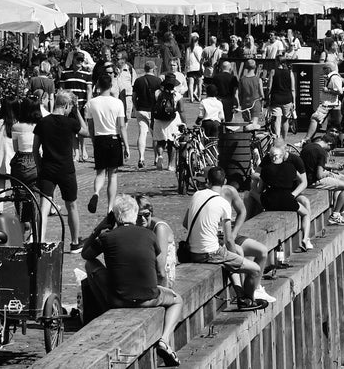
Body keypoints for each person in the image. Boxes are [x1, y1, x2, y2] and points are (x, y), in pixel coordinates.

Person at [81, 196, 182, 367]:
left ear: (115, 217)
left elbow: (85, 254)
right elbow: (160, 268)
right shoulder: (149, 234)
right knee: (177, 300)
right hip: (149, 298)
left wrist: (99, 228)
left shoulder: (107, 237)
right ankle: (164, 340)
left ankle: (105, 308)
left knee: (90, 264)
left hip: (118, 299)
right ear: (135, 215)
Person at [181, 167, 270, 308]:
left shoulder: (196, 195)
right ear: (225, 181)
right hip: (211, 253)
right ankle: (248, 300)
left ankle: (240, 294)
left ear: (207, 181)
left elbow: (185, 223)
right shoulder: (223, 203)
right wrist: (237, 257)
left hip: (192, 251)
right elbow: (229, 240)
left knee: (231, 257)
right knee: (255, 269)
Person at [34, 91, 82, 250]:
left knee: (44, 207)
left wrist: (40, 166)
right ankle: (75, 242)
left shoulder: (42, 122)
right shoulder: (70, 123)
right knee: (72, 205)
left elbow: (35, 149)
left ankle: (39, 241)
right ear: (67, 105)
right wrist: (78, 112)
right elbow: (86, 132)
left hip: (47, 168)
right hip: (66, 169)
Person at [258, 142, 313, 252]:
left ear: (270, 156)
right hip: (286, 199)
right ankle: (305, 239)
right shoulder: (291, 168)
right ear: (283, 155)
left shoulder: (265, 169)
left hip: (269, 201)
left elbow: (259, 189)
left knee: (252, 195)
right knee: (306, 213)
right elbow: (301, 180)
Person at [84, 81, 127, 216]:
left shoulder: (92, 103)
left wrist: (93, 139)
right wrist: (126, 145)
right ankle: (109, 208)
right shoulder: (118, 103)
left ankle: (96, 193)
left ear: (98, 87)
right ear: (110, 87)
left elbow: (90, 126)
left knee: (100, 173)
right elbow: (121, 126)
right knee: (112, 175)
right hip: (114, 139)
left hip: (99, 139)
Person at [301, 132, 344, 224]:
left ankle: (341, 211)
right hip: (314, 181)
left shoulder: (307, 147)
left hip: (306, 178)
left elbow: (313, 164)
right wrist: (328, 175)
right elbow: (319, 175)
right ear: (329, 144)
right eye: (331, 148)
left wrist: (331, 167)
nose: (330, 151)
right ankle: (335, 215)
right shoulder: (321, 152)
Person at [130, 61, 163, 169]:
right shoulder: (158, 81)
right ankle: (156, 158)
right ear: (153, 69)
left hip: (141, 110)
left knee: (142, 134)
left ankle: (141, 158)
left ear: (145, 69)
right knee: (155, 136)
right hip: (154, 112)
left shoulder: (138, 81)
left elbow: (134, 96)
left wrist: (135, 107)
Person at [150, 72, 184, 170]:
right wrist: (183, 122)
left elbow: (153, 107)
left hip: (159, 120)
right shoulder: (177, 95)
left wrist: (152, 120)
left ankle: (160, 156)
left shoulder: (157, 93)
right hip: (172, 121)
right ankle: (170, 164)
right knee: (171, 143)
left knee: (160, 141)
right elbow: (181, 110)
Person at [266, 63, 294, 138]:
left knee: (277, 121)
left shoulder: (273, 71)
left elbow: (269, 87)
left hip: (276, 99)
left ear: (277, 62)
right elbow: (292, 89)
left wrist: (267, 97)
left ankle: (277, 141)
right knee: (285, 121)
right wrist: (293, 102)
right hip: (287, 99)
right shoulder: (290, 72)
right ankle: (284, 141)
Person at [209, 59, 239, 124]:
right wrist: (236, 103)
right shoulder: (233, 78)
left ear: (221, 67)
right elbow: (235, 92)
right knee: (228, 118)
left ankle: (220, 132)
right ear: (230, 68)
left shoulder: (216, 77)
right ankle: (227, 132)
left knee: (218, 117)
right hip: (229, 100)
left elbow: (212, 90)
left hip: (218, 99)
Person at [237, 59, 265, 127]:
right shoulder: (258, 79)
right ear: (255, 66)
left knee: (247, 125)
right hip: (255, 103)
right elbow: (262, 94)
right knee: (253, 125)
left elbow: (240, 93)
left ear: (246, 67)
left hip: (245, 103)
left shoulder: (242, 79)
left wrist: (240, 103)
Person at [184, 33, 204, 101]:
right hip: (198, 67)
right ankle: (199, 97)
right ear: (197, 40)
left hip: (190, 67)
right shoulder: (200, 48)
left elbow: (187, 59)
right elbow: (201, 59)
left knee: (190, 83)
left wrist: (186, 67)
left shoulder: (188, 49)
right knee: (199, 83)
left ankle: (191, 98)